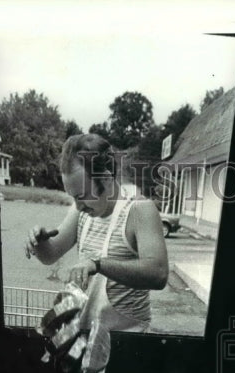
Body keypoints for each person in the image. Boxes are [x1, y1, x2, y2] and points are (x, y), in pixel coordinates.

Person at [25, 133, 168, 332]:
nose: (78, 206)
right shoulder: (81, 210)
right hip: (88, 334)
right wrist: (38, 243)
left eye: (82, 196)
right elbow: (51, 254)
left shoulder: (139, 209)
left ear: (107, 179)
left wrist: (98, 265)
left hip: (127, 339)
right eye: (73, 197)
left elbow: (158, 274)